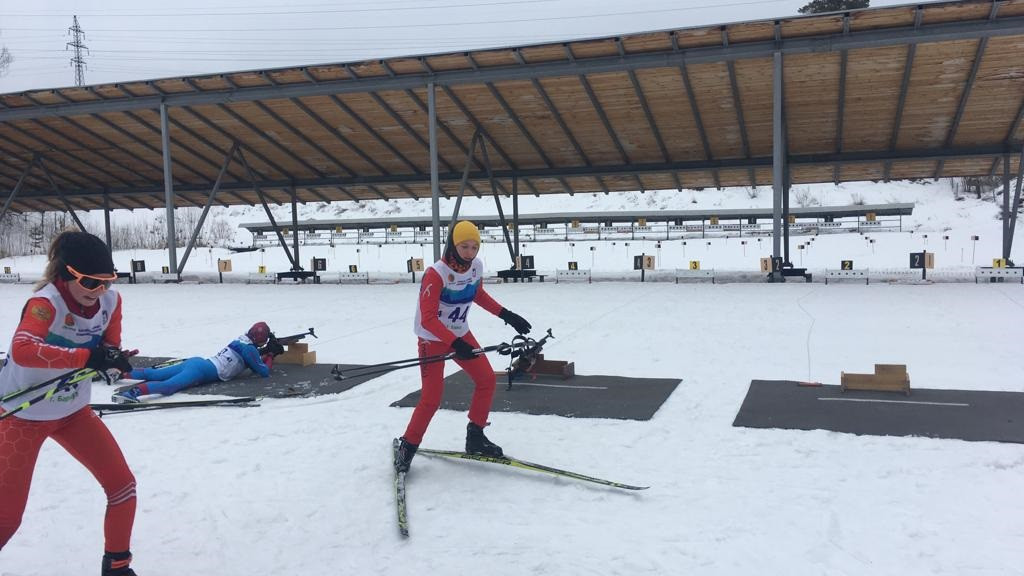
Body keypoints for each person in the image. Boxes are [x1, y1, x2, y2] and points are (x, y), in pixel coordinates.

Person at [0, 231, 139, 576]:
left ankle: (117, 567)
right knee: (6, 518)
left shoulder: (111, 301)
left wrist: (112, 360)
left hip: (73, 413)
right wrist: (86, 357)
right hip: (22, 415)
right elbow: (23, 349)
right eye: (90, 283)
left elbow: (108, 345)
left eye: (107, 281)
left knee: (123, 487)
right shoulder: (45, 304)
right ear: (66, 275)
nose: (99, 292)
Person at [395, 220, 532, 472]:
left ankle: (475, 436)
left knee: (486, 379)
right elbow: (428, 318)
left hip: (460, 334)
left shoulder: (475, 267)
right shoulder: (435, 274)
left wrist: (506, 315)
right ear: (453, 244)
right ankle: (408, 446)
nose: (469, 253)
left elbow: (476, 293)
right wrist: (454, 343)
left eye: (474, 247)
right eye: (464, 246)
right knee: (431, 398)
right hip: (432, 339)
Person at [112, 322, 274, 403]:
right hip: (201, 371)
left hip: (199, 362)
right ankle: (133, 394)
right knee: (169, 387)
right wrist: (271, 355)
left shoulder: (242, 340)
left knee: (154, 373)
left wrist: (264, 353)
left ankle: (118, 373)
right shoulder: (250, 350)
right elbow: (263, 371)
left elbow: (250, 358)